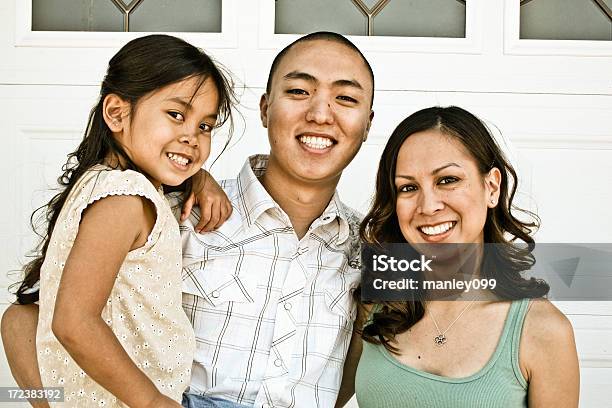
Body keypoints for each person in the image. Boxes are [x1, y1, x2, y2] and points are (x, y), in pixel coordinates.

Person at [2, 31, 375, 408]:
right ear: (265, 108)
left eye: (345, 98)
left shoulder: (372, 249)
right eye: (298, 92)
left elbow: (398, 354)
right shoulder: (172, 211)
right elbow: (24, 321)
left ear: (368, 123)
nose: (320, 114)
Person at [4, 34, 236, 407]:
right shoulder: (125, 198)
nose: (192, 138)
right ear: (116, 113)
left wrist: (198, 177)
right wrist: (150, 401)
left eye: (205, 127)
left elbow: (20, 318)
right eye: (176, 115)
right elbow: (73, 321)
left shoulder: (111, 186)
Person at [350, 106, 580, 407]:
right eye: (408, 187)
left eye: (447, 180)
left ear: (492, 187)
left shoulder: (543, 330)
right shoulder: (375, 304)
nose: (428, 206)